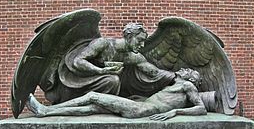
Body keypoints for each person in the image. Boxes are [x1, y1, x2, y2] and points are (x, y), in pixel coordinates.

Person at [45, 23, 175, 104]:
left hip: (104, 84)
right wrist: (101, 71)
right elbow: (78, 61)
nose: (142, 45)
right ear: (129, 37)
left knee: (113, 80)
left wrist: (175, 77)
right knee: (112, 80)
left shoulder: (133, 57)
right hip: (81, 79)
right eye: (140, 40)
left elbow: (153, 72)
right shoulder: (103, 44)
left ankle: (101, 105)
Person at [27, 68, 207, 121]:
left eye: (188, 70)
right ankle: (47, 113)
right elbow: (160, 101)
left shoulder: (188, 85)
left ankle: (45, 109)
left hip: (141, 110)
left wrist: (176, 112)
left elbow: (201, 109)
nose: (183, 69)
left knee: (93, 96)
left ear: (192, 78)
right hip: (141, 106)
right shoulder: (174, 86)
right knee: (92, 108)